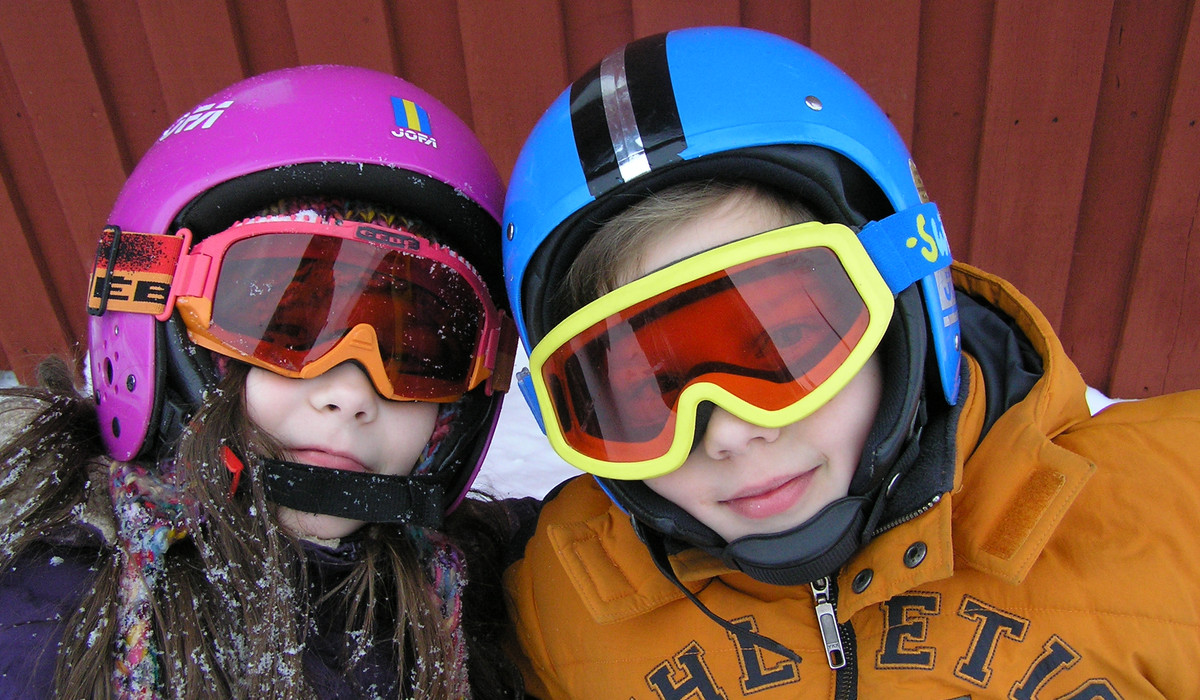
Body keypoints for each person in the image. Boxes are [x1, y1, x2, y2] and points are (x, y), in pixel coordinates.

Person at [499, 26, 1200, 698]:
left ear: (907, 306)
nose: (729, 432)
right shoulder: (560, 607)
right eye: (643, 392)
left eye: (781, 342)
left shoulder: (1173, 509)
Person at [0, 65, 530, 698]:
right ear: (159, 317)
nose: (352, 394)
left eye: (416, 350)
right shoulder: (40, 623)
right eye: (288, 324)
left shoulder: (492, 591)